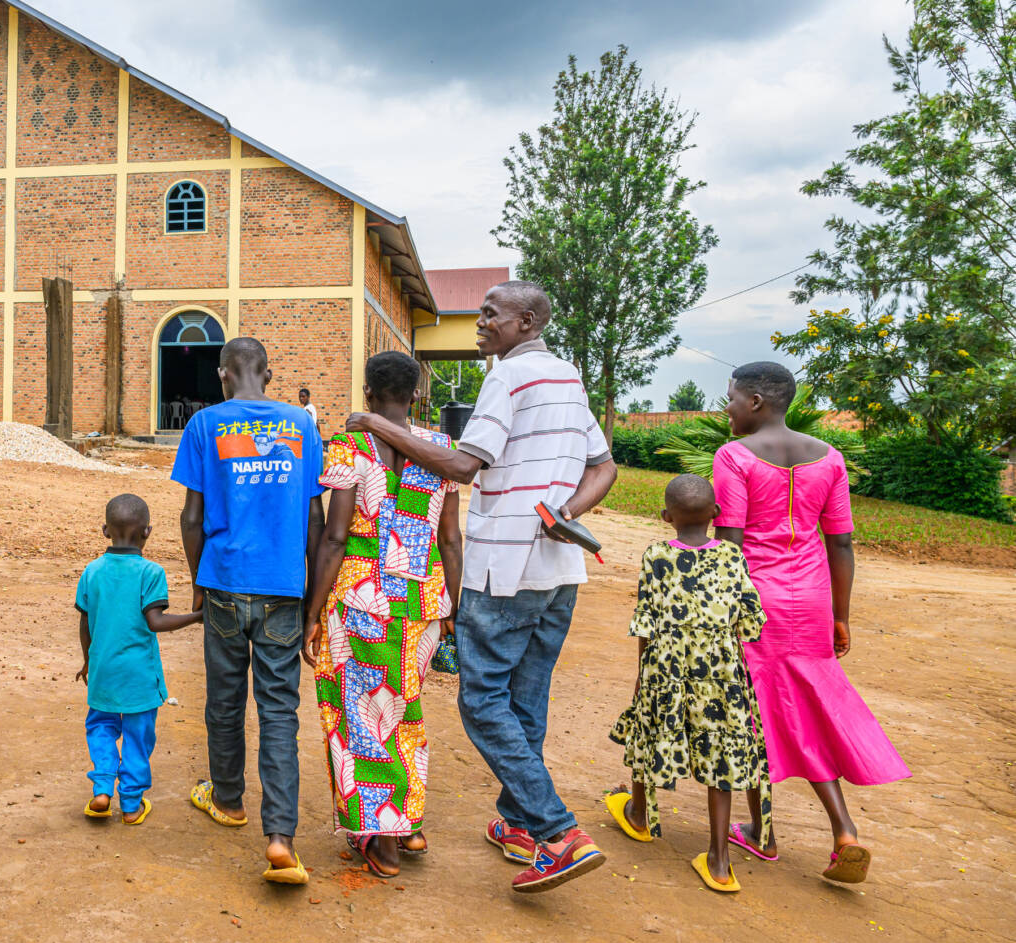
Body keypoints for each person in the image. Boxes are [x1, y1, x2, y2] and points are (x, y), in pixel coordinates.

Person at [345, 280, 618, 894]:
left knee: (481, 701)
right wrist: (566, 515)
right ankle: (518, 824)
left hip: (503, 568)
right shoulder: (568, 378)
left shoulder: (508, 377)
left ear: (526, 321)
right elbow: (605, 467)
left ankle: (558, 831)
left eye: (491, 315)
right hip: (558, 572)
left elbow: (465, 466)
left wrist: (374, 425)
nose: (481, 323)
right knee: (527, 698)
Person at [712, 361, 909, 884]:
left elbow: (730, 542)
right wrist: (840, 616)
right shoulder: (830, 458)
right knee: (807, 711)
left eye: (730, 397)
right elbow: (840, 542)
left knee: (754, 713)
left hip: (757, 600)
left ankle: (761, 830)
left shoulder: (734, 457)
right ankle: (843, 830)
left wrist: (726, 608)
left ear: (755, 401)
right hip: (812, 599)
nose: (725, 407)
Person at [301, 351, 462, 879]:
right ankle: (408, 822)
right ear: (417, 394)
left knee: (361, 720)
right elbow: (451, 539)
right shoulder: (443, 451)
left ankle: (385, 840)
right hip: (421, 601)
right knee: (403, 711)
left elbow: (336, 535)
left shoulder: (351, 446)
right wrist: (452, 607)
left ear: (368, 394)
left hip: (362, 599)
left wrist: (312, 611)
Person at [172, 336, 324, 885]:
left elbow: (192, 517)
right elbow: (316, 521)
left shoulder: (206, 426)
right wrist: (313, 597)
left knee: (225, 698)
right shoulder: (302, 426)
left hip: (225, 583)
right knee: (280, 709)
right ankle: (280, 837)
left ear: (222, 375)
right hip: (284, 588)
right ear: (266, 372)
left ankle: (229, 800)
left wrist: (196, 581)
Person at [603, 474, 772, 893]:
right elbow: (751, 621)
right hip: (721, 669)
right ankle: (718, 860)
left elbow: (647, 620)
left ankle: (640, 816)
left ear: (666, 517)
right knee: (722, 748)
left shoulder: (656, 554)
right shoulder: (732, 556)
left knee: (649, 727)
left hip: (666, 663)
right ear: (716, 514)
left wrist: (645, 675)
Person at [75, 493, 202, 825]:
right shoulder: (151, 572)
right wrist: (196, 616)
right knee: (138, 736)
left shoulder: (92, 571)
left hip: (103, 669)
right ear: (148, 532)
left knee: (100, 726)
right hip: (140, 677)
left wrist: (88, 661)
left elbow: (84, 622)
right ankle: (131, 805)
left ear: (105, 530)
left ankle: (102, 789)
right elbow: (156, 622)